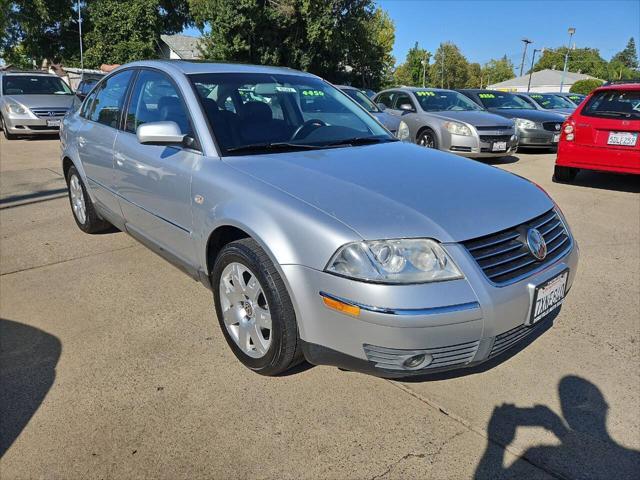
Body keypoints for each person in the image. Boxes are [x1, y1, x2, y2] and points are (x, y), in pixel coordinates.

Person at [475, 375, 640, 479]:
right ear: (605, 408)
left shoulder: (541, 452)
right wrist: (561, 432)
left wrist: (494, 443)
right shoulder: (632, 463)